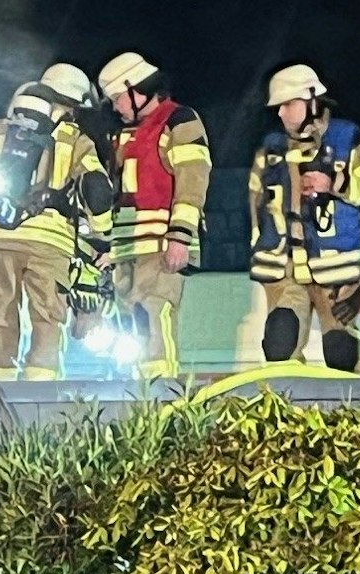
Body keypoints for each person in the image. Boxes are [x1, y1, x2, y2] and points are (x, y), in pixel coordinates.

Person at [0, 64, 114, 380]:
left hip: (0, 237)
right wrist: (102, 235)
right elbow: (98, 188)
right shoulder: (75, 140)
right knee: (47, 318)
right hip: (52, 241)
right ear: (71, 105)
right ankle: (41, 383)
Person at [249, 63, 360, 372]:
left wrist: (336, 185)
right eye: (279, 106)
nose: (281, 113)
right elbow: (255, 201)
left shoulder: (349, 138)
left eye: (288, 104)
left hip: (334, 269)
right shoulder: (271, 149)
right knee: (279, 343)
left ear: (313, 101)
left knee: (341, 353)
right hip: (285, 268)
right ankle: (286, 410)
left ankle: (355, 411)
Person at [96, 51, 210, 379]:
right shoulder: (123, 135)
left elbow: (193, 179)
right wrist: (109, 246)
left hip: (161, 243)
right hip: (128, 246)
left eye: (119, 98)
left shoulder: (179, 120)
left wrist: (180, 237)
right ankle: (142, 394)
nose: (116, 107)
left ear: (138, 89)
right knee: (131, 323)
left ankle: (163, 395)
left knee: (153, 314)